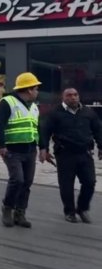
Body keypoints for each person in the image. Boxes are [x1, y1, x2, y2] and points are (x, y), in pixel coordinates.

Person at [39, 88, 102, 224]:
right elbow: (45, 131)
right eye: (69, 95)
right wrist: (44, 148)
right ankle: (69, 211)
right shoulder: (55, 113)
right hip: (65, 154)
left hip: (85, 153)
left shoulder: (88, 112)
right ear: (63, 97)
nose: (73, 97)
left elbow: (98, 130)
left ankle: (82, 208)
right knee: (66, 185)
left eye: (75, 95)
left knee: (90, 182)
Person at [0, 72, 41, 228]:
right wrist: (1, 146)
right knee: (17, 180)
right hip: (12, 150)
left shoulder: (34, 107)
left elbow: (36, 128)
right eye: (36, 88)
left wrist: (43, 147)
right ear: (28, 90)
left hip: (30, 149)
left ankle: (20, 213)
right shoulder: (7, 102)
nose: (37, 92)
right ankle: (7, 208)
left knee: (27, 182)